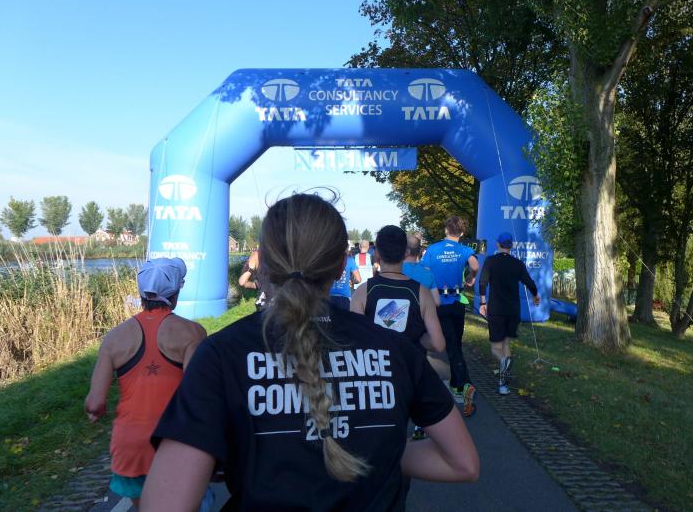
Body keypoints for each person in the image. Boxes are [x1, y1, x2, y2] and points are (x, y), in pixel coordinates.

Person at [141, 194, 479, 511]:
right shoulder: (396, 350)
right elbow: (462, 463)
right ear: (340, 265)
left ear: (264, 264)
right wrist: (380, 451)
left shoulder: (220, 355)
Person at [84, 258, 207, 509]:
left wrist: (94, 412)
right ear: (176, 293)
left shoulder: (114, 338)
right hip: (175, 440)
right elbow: (197, 395)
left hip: (131, 444)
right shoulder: (193, 333)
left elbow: (95, 402)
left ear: (141, 293)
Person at [351, 225, 445, 353]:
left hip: (376, 363)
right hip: (411, 364)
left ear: (377, 253)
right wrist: (416, 340)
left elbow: (356, 338)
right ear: (406, 253)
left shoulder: (362, 292)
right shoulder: (423, 293)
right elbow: (438, 344)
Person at [422, 216, 480, 417]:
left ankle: (464, 384)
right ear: (462, 233)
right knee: (456, 344)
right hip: (457, 303)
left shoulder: (433, 249)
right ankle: (458, 383)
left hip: (439, 302)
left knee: (451, 347)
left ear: (446, 230)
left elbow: (425, 273)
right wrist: (471, 277)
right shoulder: (464, 250)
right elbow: (475, 265)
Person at [478, 232, 540, 395]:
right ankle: (503, 384)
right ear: (511, 246)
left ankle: (504, 364)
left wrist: (483, 303)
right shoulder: (518, 264)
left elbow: (482, 282)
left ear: (498, 244)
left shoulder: (490, 261)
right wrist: (536, 295)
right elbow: (529, 282)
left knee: (495, 348)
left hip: (496, 310)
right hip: (513, 311)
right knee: (505, 344)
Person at [403, 234, 440, 306]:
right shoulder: (428, 274)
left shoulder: (394, 271)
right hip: (420, 311)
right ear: (419, 251)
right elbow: (437, 302)